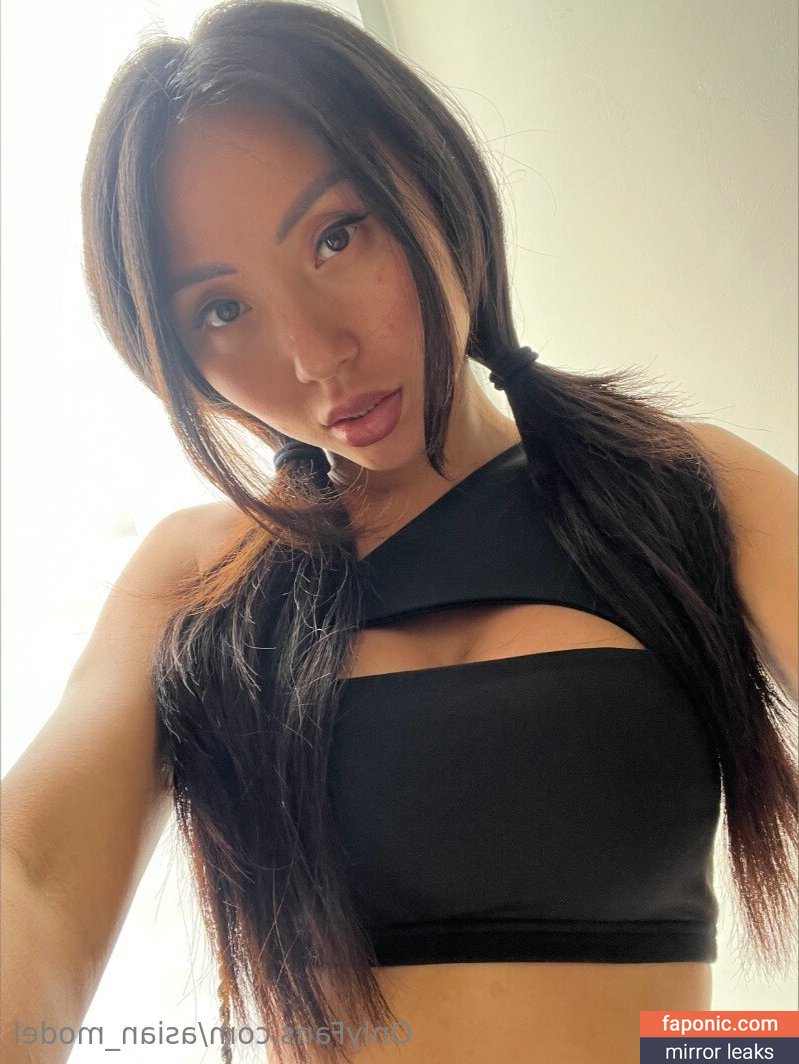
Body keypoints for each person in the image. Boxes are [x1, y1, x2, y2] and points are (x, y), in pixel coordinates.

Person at [2, 2, 797, 1062]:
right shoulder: (200, 577)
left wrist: (743, 1047)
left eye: (336, 236)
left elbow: (695, 1041)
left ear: (429, 178)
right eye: (223, 312)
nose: (314, 354)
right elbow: (34, 878)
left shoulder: (680, 486)